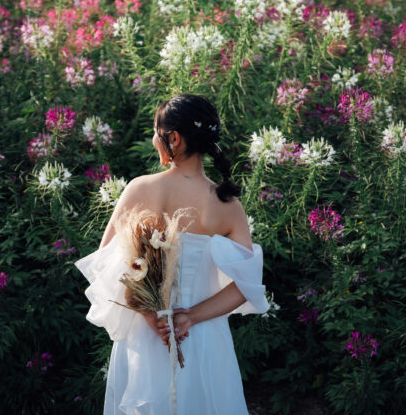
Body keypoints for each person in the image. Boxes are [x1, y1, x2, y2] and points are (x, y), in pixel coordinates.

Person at [74, 94, 270, 414]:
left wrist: (151, 314)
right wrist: (190, 317)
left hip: (148, 336)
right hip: (204, 338)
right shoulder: (229, 207)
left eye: (156, 132)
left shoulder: (141, 189)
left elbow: (107, 265)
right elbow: (246, 286)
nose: (154, 140)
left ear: (174, 139)